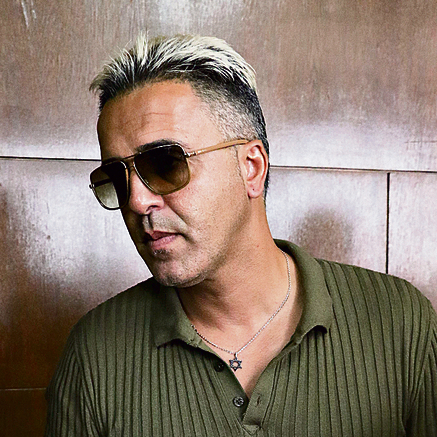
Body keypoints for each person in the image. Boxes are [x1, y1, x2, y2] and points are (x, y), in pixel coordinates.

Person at [45, 34, 437, 436]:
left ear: (251, 167)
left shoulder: (400, 321)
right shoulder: (94, 355)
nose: (137, 201)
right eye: (116, 178)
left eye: (165, 163)